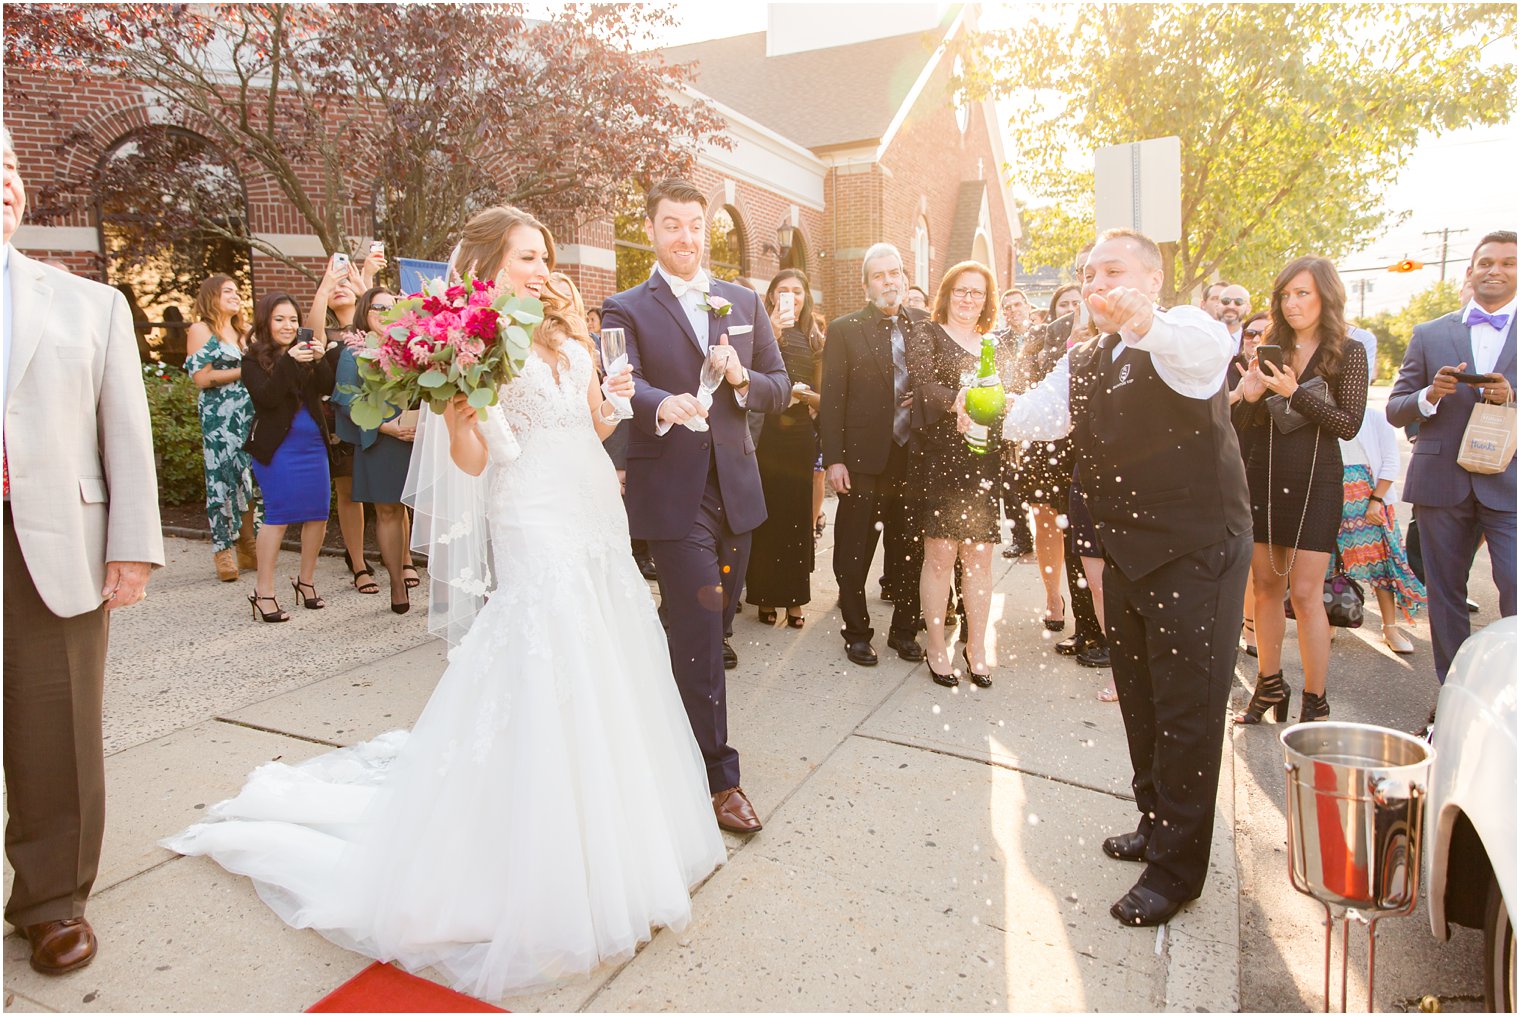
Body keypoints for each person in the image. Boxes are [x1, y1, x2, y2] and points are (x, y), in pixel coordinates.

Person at [163, 205, 725, 1001]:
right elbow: (470, 462)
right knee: (552, 649)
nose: (539, 268)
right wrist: (459, 409)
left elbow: (591, 424)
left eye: (545, 255)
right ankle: (546, 859)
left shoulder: (564, 330)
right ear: (491, 261)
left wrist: (615, 402)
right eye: (526, 256)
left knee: (608, 649)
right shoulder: (472, 340)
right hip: (530, 511)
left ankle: (618, 838)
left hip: (594, 506)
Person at [985, 228, 1252, 928]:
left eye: (1112, 271)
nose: (1097, 284)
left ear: (1152, 277)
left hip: (1197, 552)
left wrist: (1146, 322)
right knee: (1140, 696)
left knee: (1187, 709)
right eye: (1088, 274)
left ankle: (1177, 871)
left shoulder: (1186, 330)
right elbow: (1034, 416)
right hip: (1129, 555)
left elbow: (1206, 357)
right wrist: (987, 413)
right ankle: (1156, 819)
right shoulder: (1088, 358)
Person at [3, 127, 165, 975]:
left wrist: (133, 545)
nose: (5, 181)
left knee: (52, 726)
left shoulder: (88, 304)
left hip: (50, 538)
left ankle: (51, 901)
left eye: (11, 166)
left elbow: (124, 435)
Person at [601, 177, 792, 835]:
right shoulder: (624, 305)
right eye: (671, 224)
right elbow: (623, 381)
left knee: (711, 629)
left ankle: (661, 706)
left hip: (734, 490)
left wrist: (741, 377)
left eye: (694, 225)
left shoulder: (740, 300)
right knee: (703, 634)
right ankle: (719, 780)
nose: (685, 237)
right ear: (651, 229)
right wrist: (660, 404)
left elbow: (781, 386)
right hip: (672, 498)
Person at [1232, 257, 1368, 726]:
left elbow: (1347, 425)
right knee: (1266, 586)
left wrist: (1296, 393)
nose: (1292, 303)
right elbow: (1248, 426)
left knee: (1306, 594)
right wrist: (1249, 397)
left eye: (1303, 294)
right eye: (1286, 295)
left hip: (1317, 479)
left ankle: (1315, 699)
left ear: (1325, 296)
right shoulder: (1271, 348)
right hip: (1265, 474)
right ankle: (1269, 684)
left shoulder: (1348, 351)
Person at [1386, 229, 1516, 692]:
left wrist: (1512, 397)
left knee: (1514, 585)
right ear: (1471, 271)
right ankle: (1456, 694)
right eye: (1486, 263)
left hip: (1509, 482)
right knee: (1445, 596)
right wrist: (1429, 395)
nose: (1495, 271)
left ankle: (1509, 693)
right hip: (1442, 482)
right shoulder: (1431, 333)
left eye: (1507, 263)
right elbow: (1395, 407)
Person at [818, 242, 929, 668]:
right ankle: (857, 632)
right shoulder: (845, 329)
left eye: (895, 273)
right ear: (867, 286)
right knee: (854, 550)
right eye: (879, 276)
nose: (889, 282)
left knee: (909, 550)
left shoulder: (923, 325)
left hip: (912, 459)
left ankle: (904, 630)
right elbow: (832, 399)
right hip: (862, 461)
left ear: (904, 278)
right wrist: (834, 459)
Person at [910, 260, 1015, 688]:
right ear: (948, 294)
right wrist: (959, 400)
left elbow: (1009, 392)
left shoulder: (995, 345)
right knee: (940, 555)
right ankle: (936, 645)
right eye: (961, 290)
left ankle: (976, 647)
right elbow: (921, 383)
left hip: (982, 460)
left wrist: (1003, 407)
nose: (969, 299)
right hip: (941, 457)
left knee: (979, 556)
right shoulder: (928, 334)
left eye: (978, 292)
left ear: (987, 301)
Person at [242, 292, 336, 622]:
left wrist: (320, 358)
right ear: (266, 322)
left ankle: (306, 582)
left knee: (318, 514)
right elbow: (266, 399)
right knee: (278, 515)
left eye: (294, 320)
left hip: (313, 446)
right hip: (278, 449)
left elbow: (327, 387)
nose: (288, 325)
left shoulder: (306, 352)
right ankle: (264, 591)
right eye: (280, 319)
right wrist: (290, 361)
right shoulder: (253, 359)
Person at [332, 286, 419, 615]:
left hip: (415, 436)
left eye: (391, 306)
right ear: (363, 314)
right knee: (388, 512)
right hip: (381, 439)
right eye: (377, 308)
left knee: (424, 510)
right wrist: (385, 426)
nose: (385, 313)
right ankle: (397, 583)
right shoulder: (352, 353)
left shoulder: (412, 346)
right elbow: (346, 398)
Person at [745, 269, 822, 627]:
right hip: (767, 433)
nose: (791, 296)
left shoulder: (816, 338)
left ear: (806, 297)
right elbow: (747, 374)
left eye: (797, 291)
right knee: (768, 514)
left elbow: (827, 396)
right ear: (772, 295)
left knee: (796, 517)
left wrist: (806, 397)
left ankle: (795, 599)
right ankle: (763, 594)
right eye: (783, 290)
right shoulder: (759, 331)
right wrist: (772, 331)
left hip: (800, 433)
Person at [310, 251, 383, 595]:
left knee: (389, 494)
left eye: (345, 286)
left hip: (379, 417)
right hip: (339, 423)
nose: (340, 289)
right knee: (349, 493)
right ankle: (358, 564)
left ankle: (401, 560)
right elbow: (311, 335)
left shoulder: (368, 331)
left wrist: (365, 280)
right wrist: (326, 284)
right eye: (333, 289)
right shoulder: (324, 334)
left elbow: (384, 315)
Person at [184, 273, 258, 582]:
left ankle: (247, 542)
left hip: (249, 413)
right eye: (228, 291)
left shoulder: (244, 332)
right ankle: (223, 549)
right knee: (221, 476)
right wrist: (245, 371)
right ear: (211, 295)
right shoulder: (202, 330)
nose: (235, 295)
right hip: (219, 416)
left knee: (248, 475)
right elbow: (201, 378)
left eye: (237, 291)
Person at [1338, 405, 1426, 653]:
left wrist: (1376, 500)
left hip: (1368, 496)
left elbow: (1390, 460)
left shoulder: (1375, 416)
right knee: (1330, 562)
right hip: (1331, 491)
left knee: (1381, 564)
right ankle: (1331, 618)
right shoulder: (1324, 411)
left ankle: (1389, 628)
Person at [1009, 305, 1072, 637]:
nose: (1072, 308)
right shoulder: (1044, 340)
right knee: (1046, 523)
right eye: (1065, 303)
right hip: (1043, 440)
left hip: (1082, 443)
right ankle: (1052, 598)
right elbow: (1024, 385)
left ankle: (1088, 605)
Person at [1229, 311, 1270, 659]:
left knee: (1264, 565)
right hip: (1231, 471)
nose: (1254, 340)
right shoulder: (1227, 368)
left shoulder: (1286, 373)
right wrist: (1240, 394)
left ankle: (1256, 626)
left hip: (1270, 471)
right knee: (1241, 559)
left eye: (1262, 334)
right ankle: (1242, 625)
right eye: (1249, 334)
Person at [995, 287, 1035, 559]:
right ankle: (1021, 537)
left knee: (1036, 480)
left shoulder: (1043, 336)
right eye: (1007, 307)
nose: (1013, 311)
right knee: (1009, 482)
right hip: (1010, 418)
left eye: (1017, 305)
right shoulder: (1000, 341)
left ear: (1028, 307)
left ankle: (1046, 533)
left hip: (1037, 416)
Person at [1218, 284, 1250, 349]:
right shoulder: (1204, 336)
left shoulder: (1254, 340)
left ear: (1248, 308)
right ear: (1217, 306)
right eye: (1225, 301)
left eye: (1238, 302)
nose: (1231, 306)